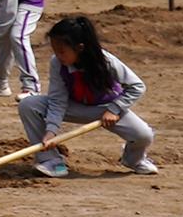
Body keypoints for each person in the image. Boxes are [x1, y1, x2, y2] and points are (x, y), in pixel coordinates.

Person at [22, 14, 156, 175]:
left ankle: (134, 159)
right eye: (55, 51)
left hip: (107, 110)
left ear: (80, 47)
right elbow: (57, 100)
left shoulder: (106, 61)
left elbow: (137, 86)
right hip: (74, 107)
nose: (58, 56)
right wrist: (51, 132)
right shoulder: (57, 63)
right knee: (29, 104)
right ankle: (52, 162)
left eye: (62, 52)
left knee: (144, 135)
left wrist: (114, 109)